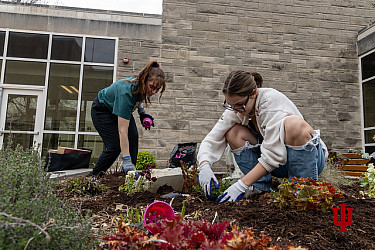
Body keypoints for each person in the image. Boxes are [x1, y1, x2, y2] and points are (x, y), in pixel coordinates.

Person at [197, 70, 328, 203]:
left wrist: (241, 184)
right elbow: (212, 138)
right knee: (234, 133)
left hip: (306, 160)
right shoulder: (238, 108)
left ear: (254, 93)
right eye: (230, 105)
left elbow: (273, 155)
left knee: (294, 125)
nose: (235, 110)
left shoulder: (271, 103)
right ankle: (259, 186)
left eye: (239, 105)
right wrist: (204, 166)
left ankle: (301, 188)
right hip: (277, 165)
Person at [90, 61, 165, 176]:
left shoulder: (140, 85)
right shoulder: (125, 93)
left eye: (157, 89)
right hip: (102, 110)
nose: (154, 92)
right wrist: (126, 160)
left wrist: (142, 112)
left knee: (133, 136)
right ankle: (94, 176)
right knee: (114, 146)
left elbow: (138, 97)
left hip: (118, 107)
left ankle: (130, 174)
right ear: (144, 80)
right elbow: (122, 131)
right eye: (152, 87)